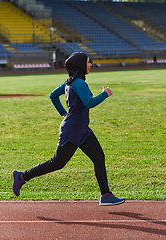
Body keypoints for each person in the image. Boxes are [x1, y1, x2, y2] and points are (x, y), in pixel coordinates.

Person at [12, 52, 125, 206]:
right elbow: (89, 103)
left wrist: (63, 113)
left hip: (82, 130)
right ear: (80, 65)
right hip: (73, 131)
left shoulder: (69, 82)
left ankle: (106, 195)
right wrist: (105, 94)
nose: (90, 65)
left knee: (99, 158)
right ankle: (22, 176)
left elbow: (53, 96)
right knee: (57, 162)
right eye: (88, 62)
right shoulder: (79, 83)